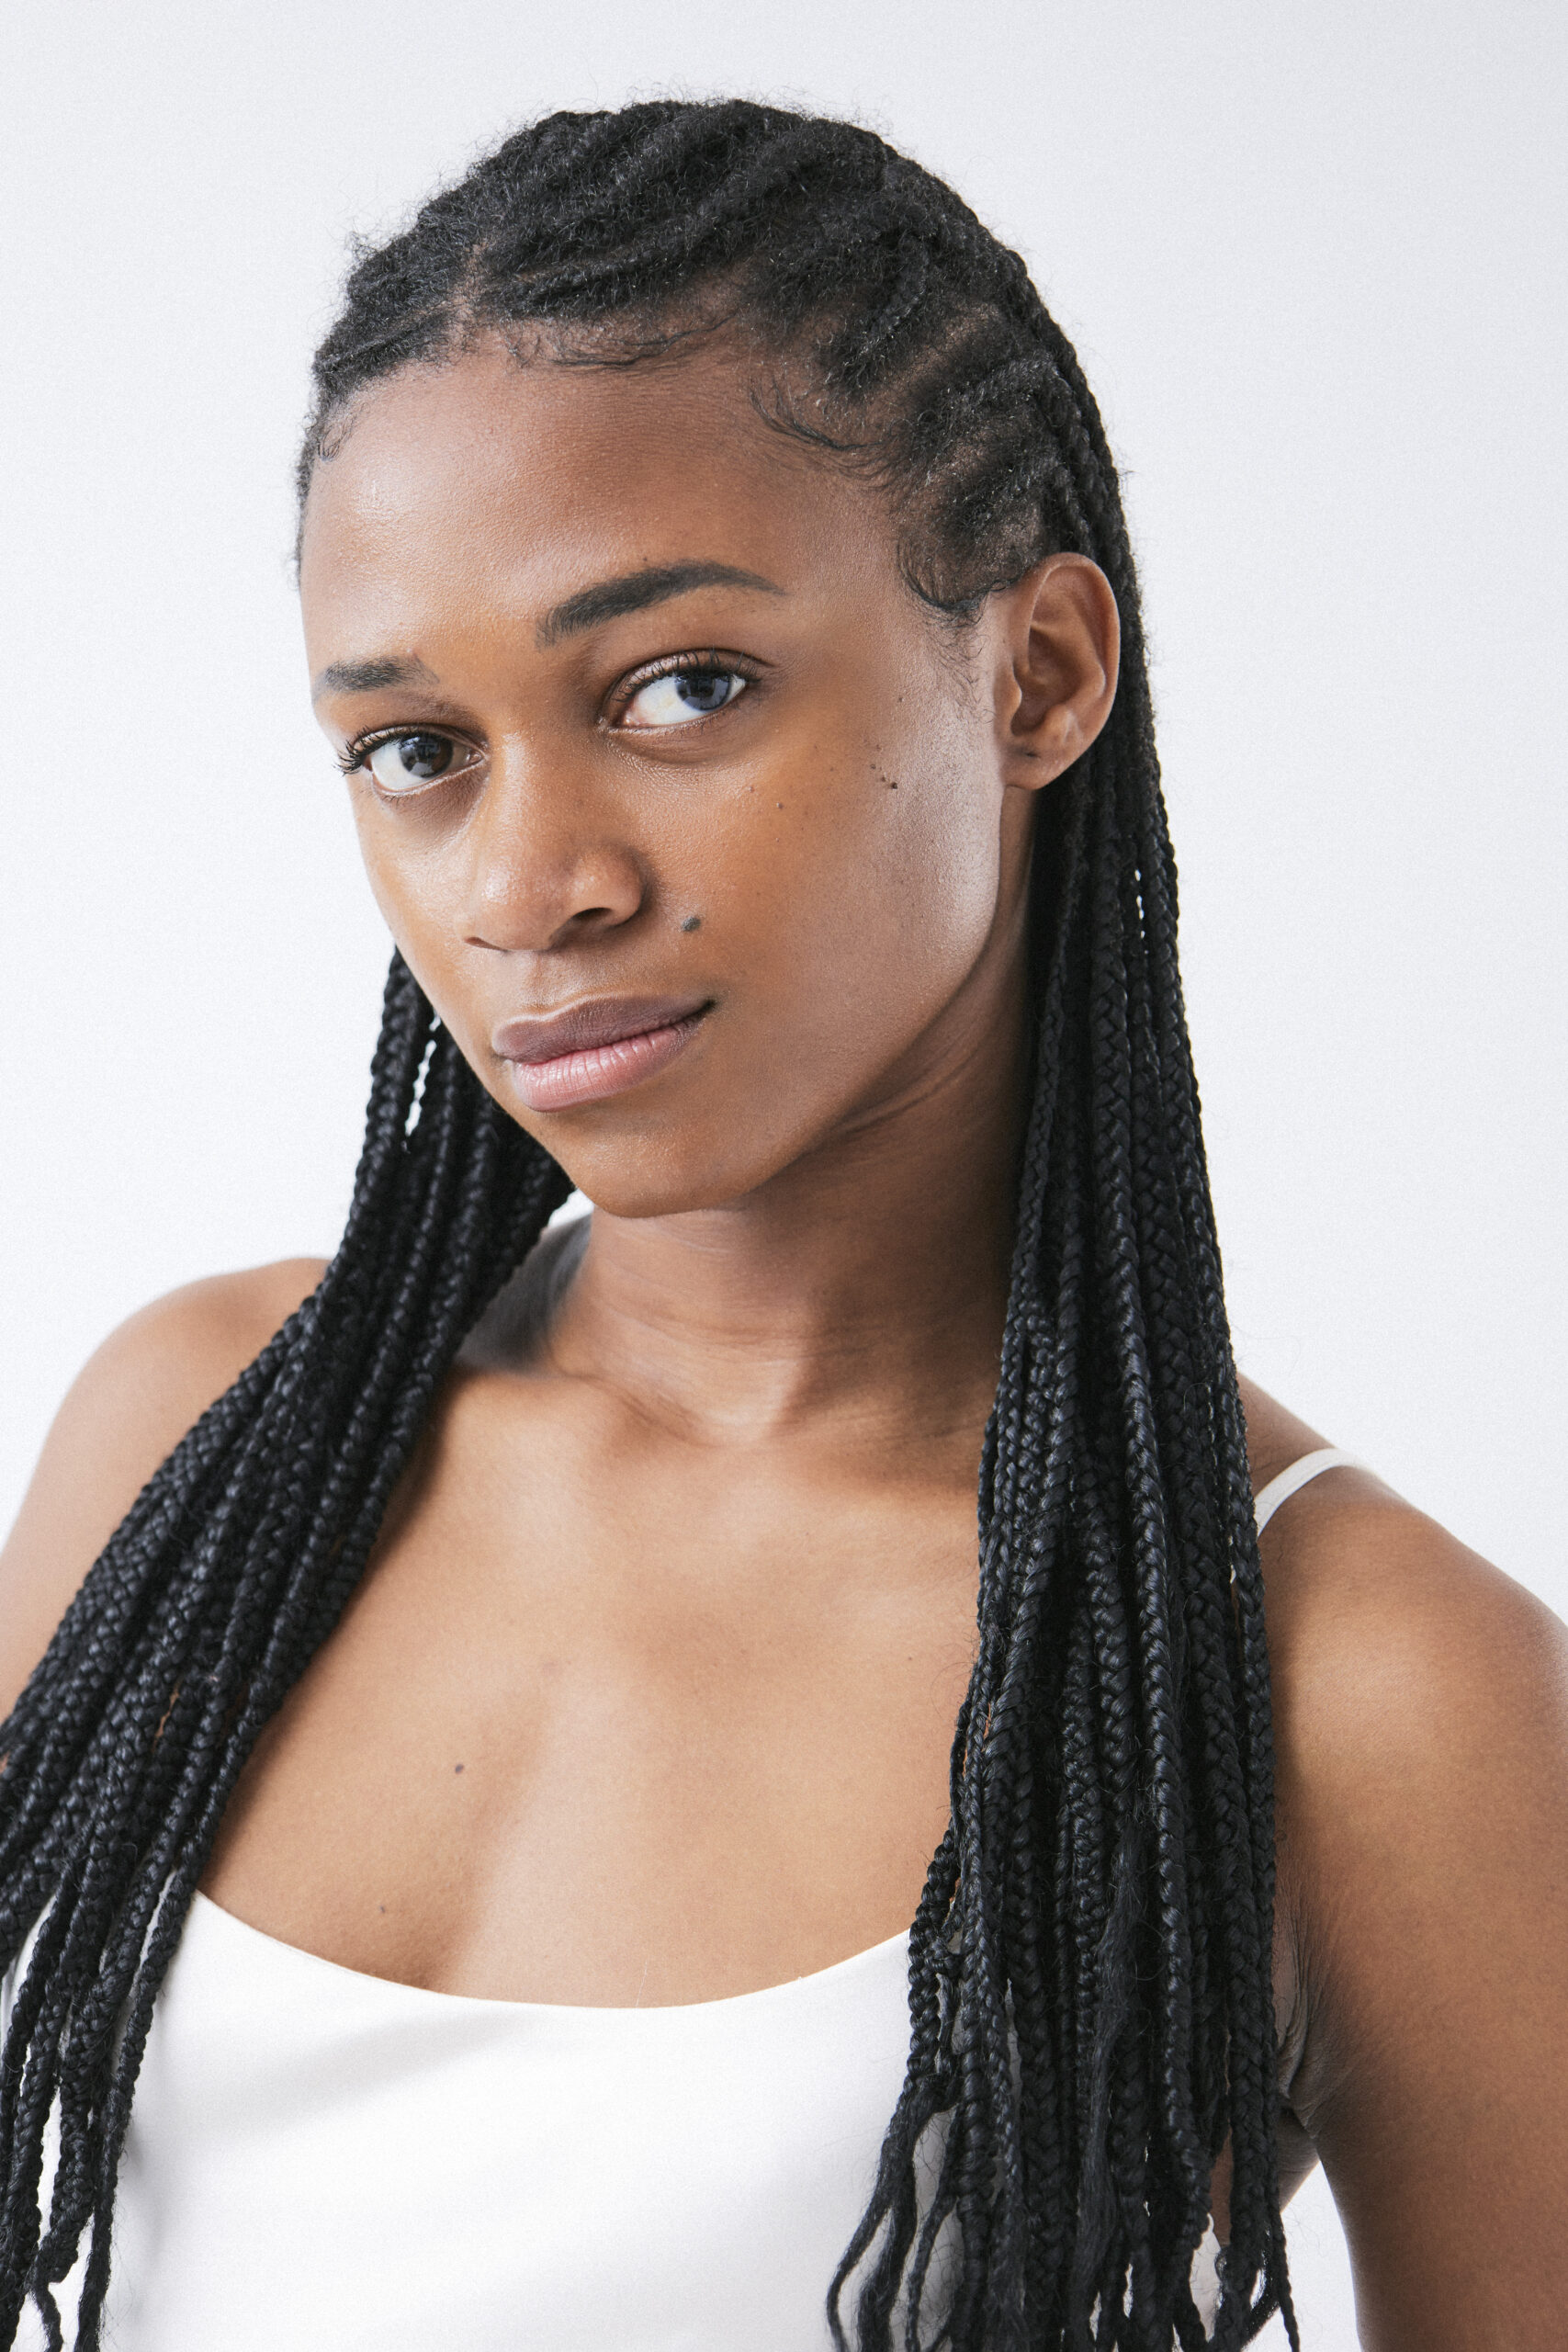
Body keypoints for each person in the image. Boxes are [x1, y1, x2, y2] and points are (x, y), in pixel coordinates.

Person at [0, 98, 1563, 2352]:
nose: (534, 883)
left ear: (1035, 675)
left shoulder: (1352, 1684)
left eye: (680, 689)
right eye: (417, 745)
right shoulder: (205, 1435)